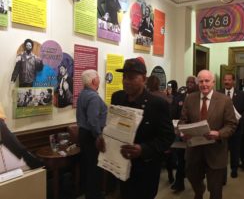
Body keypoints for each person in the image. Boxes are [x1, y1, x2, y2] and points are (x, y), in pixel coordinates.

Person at [103, 57, 174, 199]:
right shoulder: (117, 97)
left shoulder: (157, 104)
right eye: (124, 77)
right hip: (117, 165)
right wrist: (103, 137)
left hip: (144, 172)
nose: (125, 81)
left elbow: (167, 138)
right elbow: (111, 126)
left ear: (144, 79)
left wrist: (143, 149)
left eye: (131, 77)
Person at [179, 70, 237, 199]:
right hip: (194, 151)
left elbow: (231, 125)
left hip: (216, 151)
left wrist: (219, 133)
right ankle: (199, 191)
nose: (204, 84)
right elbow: (183, 121)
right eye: (201, 81)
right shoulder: (190, 99)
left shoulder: (225, 100)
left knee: (216, 190)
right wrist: (183, 132)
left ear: (213, 82)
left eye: (207, 81)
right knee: (193, 179)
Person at [76, 69, 107, 199]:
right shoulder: (93, 97)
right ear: (94, 81)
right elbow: (93, 120)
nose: (100, 79)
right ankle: (94, 195)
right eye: (98, 77)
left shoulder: (83, 94)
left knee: (87, 167)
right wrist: (99, 136)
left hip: (83, 134)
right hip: (91, 136)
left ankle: (89, 194)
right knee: (94, 169)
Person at [170, 76, 198, 192]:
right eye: (188, 82)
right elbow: (174, 111)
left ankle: (197, 186)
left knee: (193, 161)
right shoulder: (180, 96)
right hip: (181, 132)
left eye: (192, 82)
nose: (189, 84)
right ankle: (179, 183)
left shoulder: (199, 97)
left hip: (194, 134)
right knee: (181, 158)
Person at [219, 73, 244, 179]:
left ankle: (234, 169)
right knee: (222, 151)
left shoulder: (241, 94)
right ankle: (222, 173)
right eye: (225, 79)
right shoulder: (218, 93)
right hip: (222, 129)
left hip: (237, 129)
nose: (226, 82)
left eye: (229, 80)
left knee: (235, 150)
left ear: (234, 81)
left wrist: (240, 120)